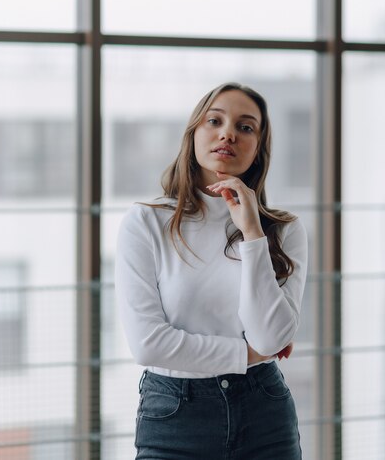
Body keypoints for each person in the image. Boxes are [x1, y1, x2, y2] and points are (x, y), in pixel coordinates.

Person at [115, 82, 308, 460]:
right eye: (214, 121)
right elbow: (148, 344)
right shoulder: (147, 222)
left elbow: (269, 337)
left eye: (246, 127)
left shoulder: (284, 229)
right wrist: (248, 354)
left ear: (258, 148)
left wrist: (252, 233)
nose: (228, 134)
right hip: (174, 415)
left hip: (264, 411)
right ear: (193, 134)